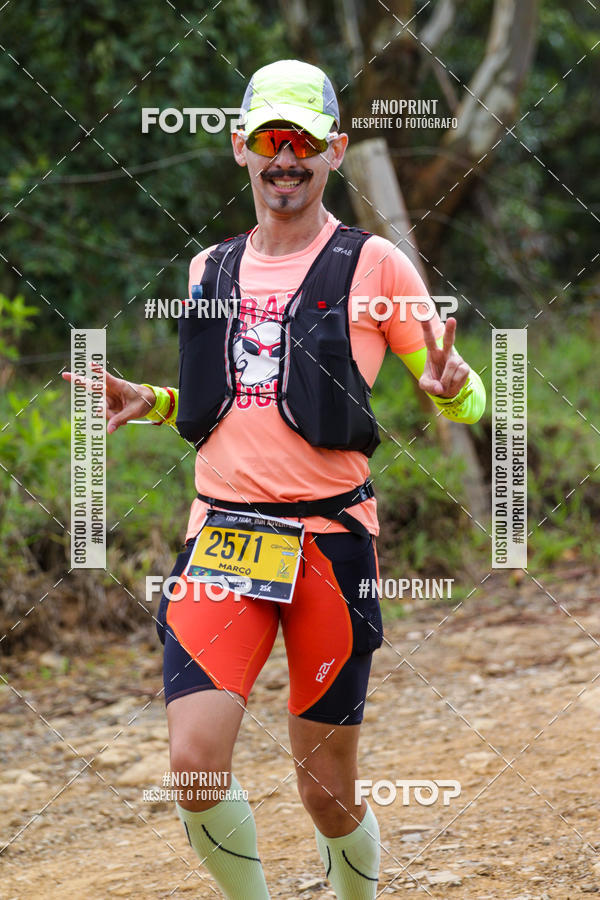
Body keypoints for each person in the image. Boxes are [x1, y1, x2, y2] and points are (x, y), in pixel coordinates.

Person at [64, 59, 485, 899]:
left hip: (330, 544)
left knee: (325, 794)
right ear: (240, 150)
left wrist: (454, 389)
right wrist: (153, 402)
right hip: (223, 538)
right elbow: (237, 397)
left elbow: (461, 393)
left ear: (333, 150)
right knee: (192, 765)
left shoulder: (375, 267)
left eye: (302, 142)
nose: (284, 158)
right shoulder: (207, 271)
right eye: (269, 140)